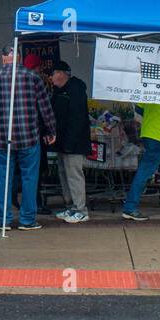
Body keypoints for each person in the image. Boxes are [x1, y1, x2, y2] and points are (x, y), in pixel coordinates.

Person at [0, 44, 56, 231]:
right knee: (30, 178)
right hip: (29, 137)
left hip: (3, 138)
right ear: (20, 58)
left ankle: (4, 220)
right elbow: (45, 108)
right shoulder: (33, 78)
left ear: (3, 58)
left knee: (4, 179)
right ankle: (27, 220)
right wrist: (51, 130)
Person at [49, 61, 91, 223]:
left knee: (74, 175)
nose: (50, 77)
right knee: (64, 174)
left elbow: (77, 119)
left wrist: (70, 142)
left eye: (52, 74)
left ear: (61, 74)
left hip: (74, 143)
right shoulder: (59, 91)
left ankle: (81, 209)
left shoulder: (76, 90)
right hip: (62, 141)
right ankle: (71, 207)